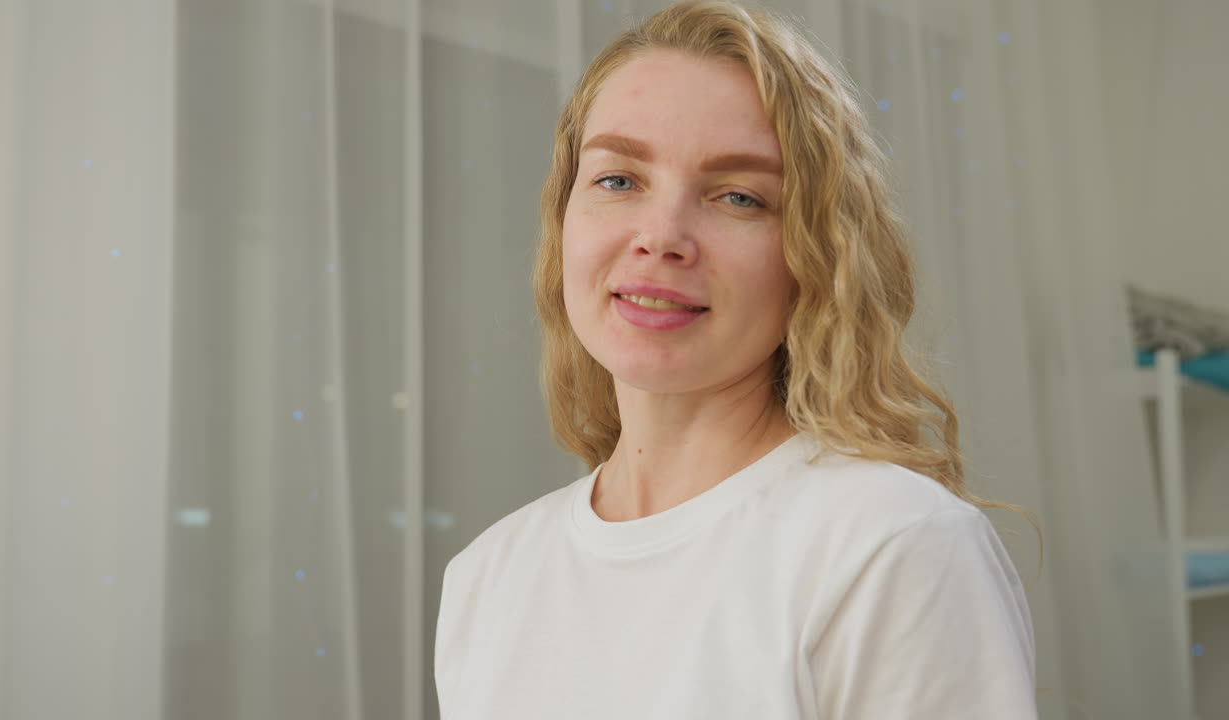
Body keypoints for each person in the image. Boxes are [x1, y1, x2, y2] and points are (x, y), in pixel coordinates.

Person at [435, 1, 1043, 717]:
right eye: (619, 180)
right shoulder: (489, 577)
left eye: (739, 197)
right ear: (563, 216)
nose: (661, 237)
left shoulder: (892, 547)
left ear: (815, 257)